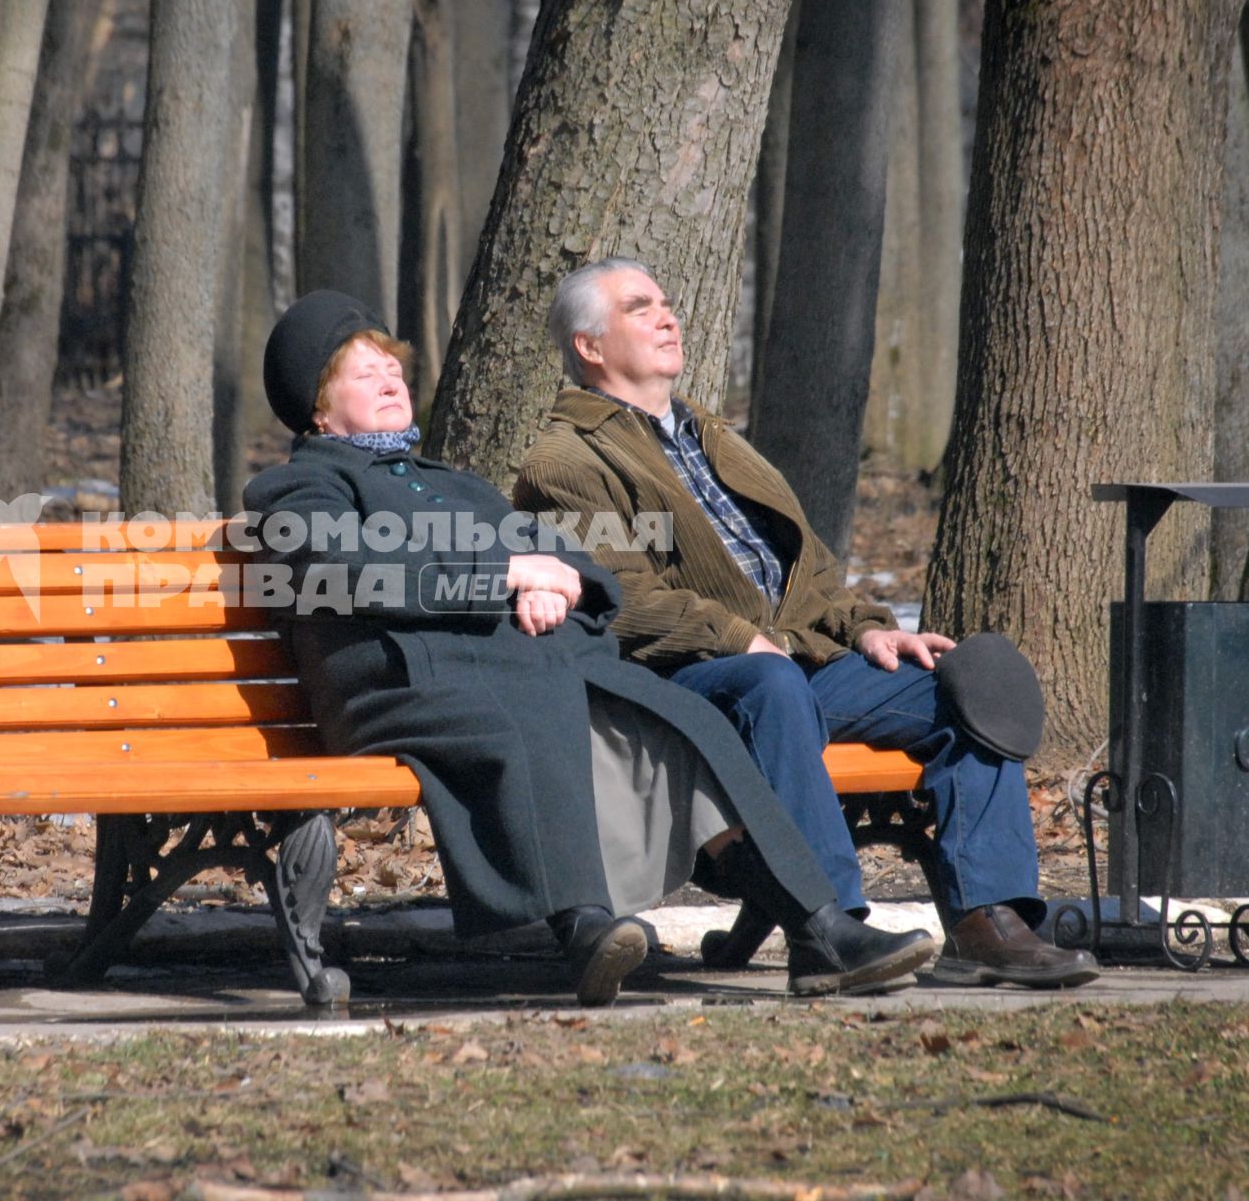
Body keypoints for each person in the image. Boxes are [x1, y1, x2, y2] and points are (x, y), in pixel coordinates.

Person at [241, 289, 935, 1007]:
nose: (391, 381)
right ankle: (585, 926)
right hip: (399, 685)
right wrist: (502, 576)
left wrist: (560, 584)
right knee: (532, 706)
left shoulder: (453, 484)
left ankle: (819, 928)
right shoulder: (299, 486)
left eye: (393, 367)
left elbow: (578, 560)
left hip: (511, 665)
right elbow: (343, 569)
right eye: (364, 374)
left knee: (675, 720)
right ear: (319, 409)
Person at [512, 258, 1098, 989]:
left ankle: (989, 922)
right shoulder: (566, 458)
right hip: (688, 684)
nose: (668, 316)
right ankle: (831, 926)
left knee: (966, 694)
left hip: (792, 669)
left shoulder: (714, 438)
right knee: (770, 682)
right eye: (640, 307)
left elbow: (808, 571)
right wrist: (737, 639)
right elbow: (616, 596)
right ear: (590, 346)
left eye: (667, 302)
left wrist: (869, 628)